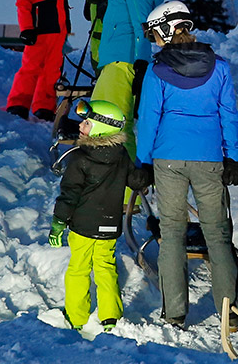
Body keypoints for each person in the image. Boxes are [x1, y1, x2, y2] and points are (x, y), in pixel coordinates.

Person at [132, 0, 238, 327]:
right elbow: (229, 116)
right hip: (210, 160)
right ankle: (232, 315)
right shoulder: (219, 67)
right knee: (218, 236)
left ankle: (175, 314)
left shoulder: (157, 71)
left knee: (172, 234)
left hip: (168, 160)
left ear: (167, 30)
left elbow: (149, 119)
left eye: (155, 34)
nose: (153, 40)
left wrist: (143, 161)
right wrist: (232, 158)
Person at [48, 99, 148, 332]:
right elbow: (136, 180)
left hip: (83, 227)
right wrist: (148, 174)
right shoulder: (121, 155)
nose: (81, 125)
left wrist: (58, 223)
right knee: (105, 268)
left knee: (79, 269)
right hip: (109, 226)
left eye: (87, 122)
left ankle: (76, 315)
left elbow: (69, 194)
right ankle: (110, 316)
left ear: (101, 128)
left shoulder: (81, 157)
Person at [89, 0, 167, 144]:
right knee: (99, 121)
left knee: (116, 124)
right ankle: (111, 175)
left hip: (124, 64)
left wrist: (141, 65)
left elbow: (142, 27)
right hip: (112, 63)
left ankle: (131, 177)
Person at [6, 0, 71, 120]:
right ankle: (18, 103)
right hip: (38, 27)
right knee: (31, 66)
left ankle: (44, 106)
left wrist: (65, 24)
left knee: (52, 69)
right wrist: (27, 28)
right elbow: (23, 0)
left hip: (56, 27)